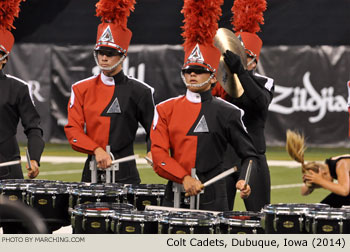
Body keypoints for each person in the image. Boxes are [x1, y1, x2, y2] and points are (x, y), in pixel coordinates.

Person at [150, 0, 258, 212]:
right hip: (174, 194)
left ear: (212, 78)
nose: (192, 74)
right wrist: (183, 177)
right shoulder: (164, 109)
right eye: (188, 70)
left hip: (214, 196)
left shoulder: (228, 112)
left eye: (199, 71)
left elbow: (249, 155)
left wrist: (244, 180)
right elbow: (158, 155)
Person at [64, 0, 154, 184]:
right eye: (100, 52)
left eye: (110, 53)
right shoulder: (80, 88)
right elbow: (73, 130)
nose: (104, 58)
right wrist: (96, 150)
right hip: (91, 171)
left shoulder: (140, 91)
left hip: (126, 173)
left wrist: (153, 150)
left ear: (123, 55)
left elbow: (154, 130)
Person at [211, 0, 273, 211]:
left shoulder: (264, 83)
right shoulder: (218, 84)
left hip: (253, 155)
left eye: (242, 56)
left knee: (259, 215)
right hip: (224, 156)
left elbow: (260, 104)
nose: (235, 60)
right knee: (218, 217)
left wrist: (242, 73)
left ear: (254, 62)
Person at [0, 0, 44, 181]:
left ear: (4, 58)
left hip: (6, 167)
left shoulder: (17, 88)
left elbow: (33, 128)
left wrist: (34, 158)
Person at [286, 130, 350, 208]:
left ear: (323, 172)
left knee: (326, 209)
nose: (323, 186)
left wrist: (320, 181)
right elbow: (303, 192)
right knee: (323, 208)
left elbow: (344, 191)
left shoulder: (340, 164)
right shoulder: (329, 165)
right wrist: (310, 183)